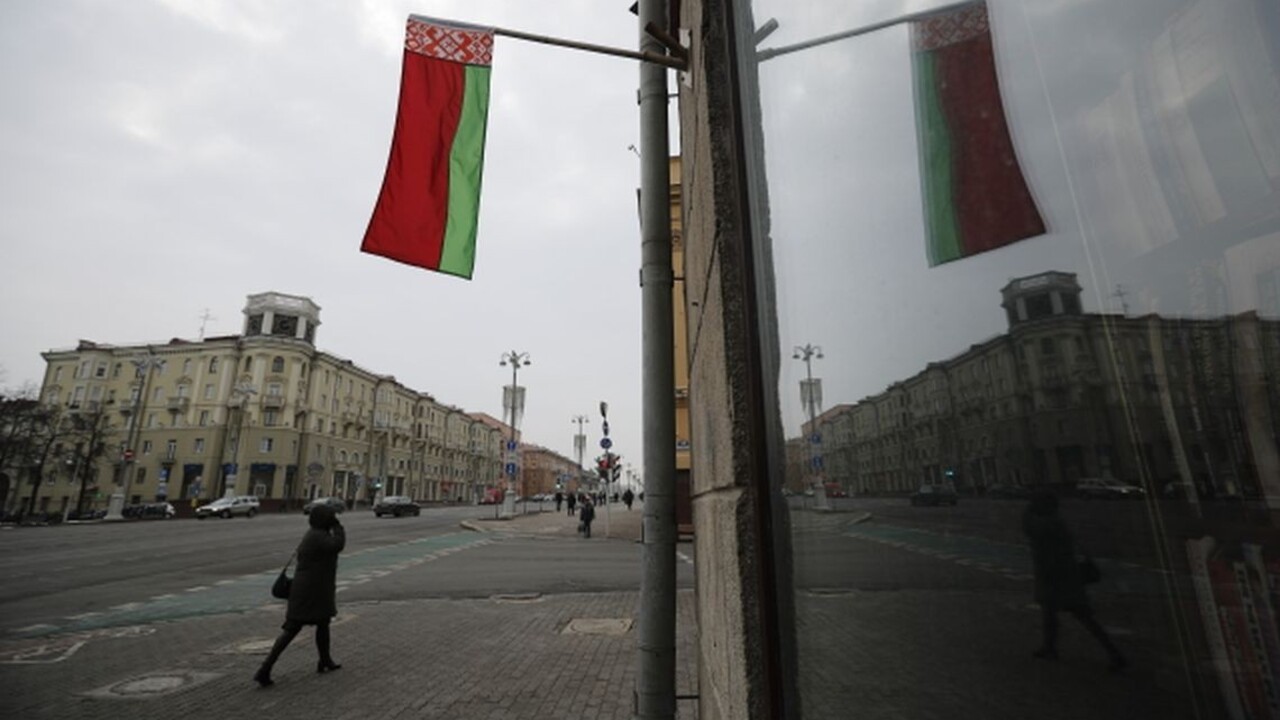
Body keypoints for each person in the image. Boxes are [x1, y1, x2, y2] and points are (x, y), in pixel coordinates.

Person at [1022, 490, 1125, 671]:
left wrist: (1027, 512)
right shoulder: (1057, 522)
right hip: (1062, 576)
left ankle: (1114, 653)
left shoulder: (1049, 524)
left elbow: (1030, 528)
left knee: (1079, 615)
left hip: (1058, 578)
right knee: (1058, 614)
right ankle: (1050, 647)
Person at [254, 504, 346, 687]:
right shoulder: (318, 536)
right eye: (331, 516)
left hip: (312, 588)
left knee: (322, 623)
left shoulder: (315, 533)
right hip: (310, 590)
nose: (333, 518)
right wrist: (339, 527)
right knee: (292, 628)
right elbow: (337, 545)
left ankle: (325, 660)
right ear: (324, 519)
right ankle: (264, 668)